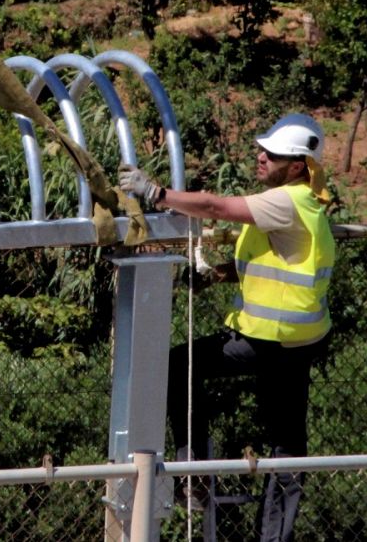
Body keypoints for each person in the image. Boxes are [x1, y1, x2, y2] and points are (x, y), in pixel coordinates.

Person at [119, 113, 335, 542]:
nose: (260, 157)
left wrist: (157, 194)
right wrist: (219, 273)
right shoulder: (309, 201)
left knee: (179, 366)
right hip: (304, 339)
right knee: (288, 445)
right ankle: (275, 537)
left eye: (271, 154)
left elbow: (216, 206)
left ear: (295, 166)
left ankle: (193, 474)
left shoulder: (285, 200)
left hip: (268, 338)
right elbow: (281, 261)